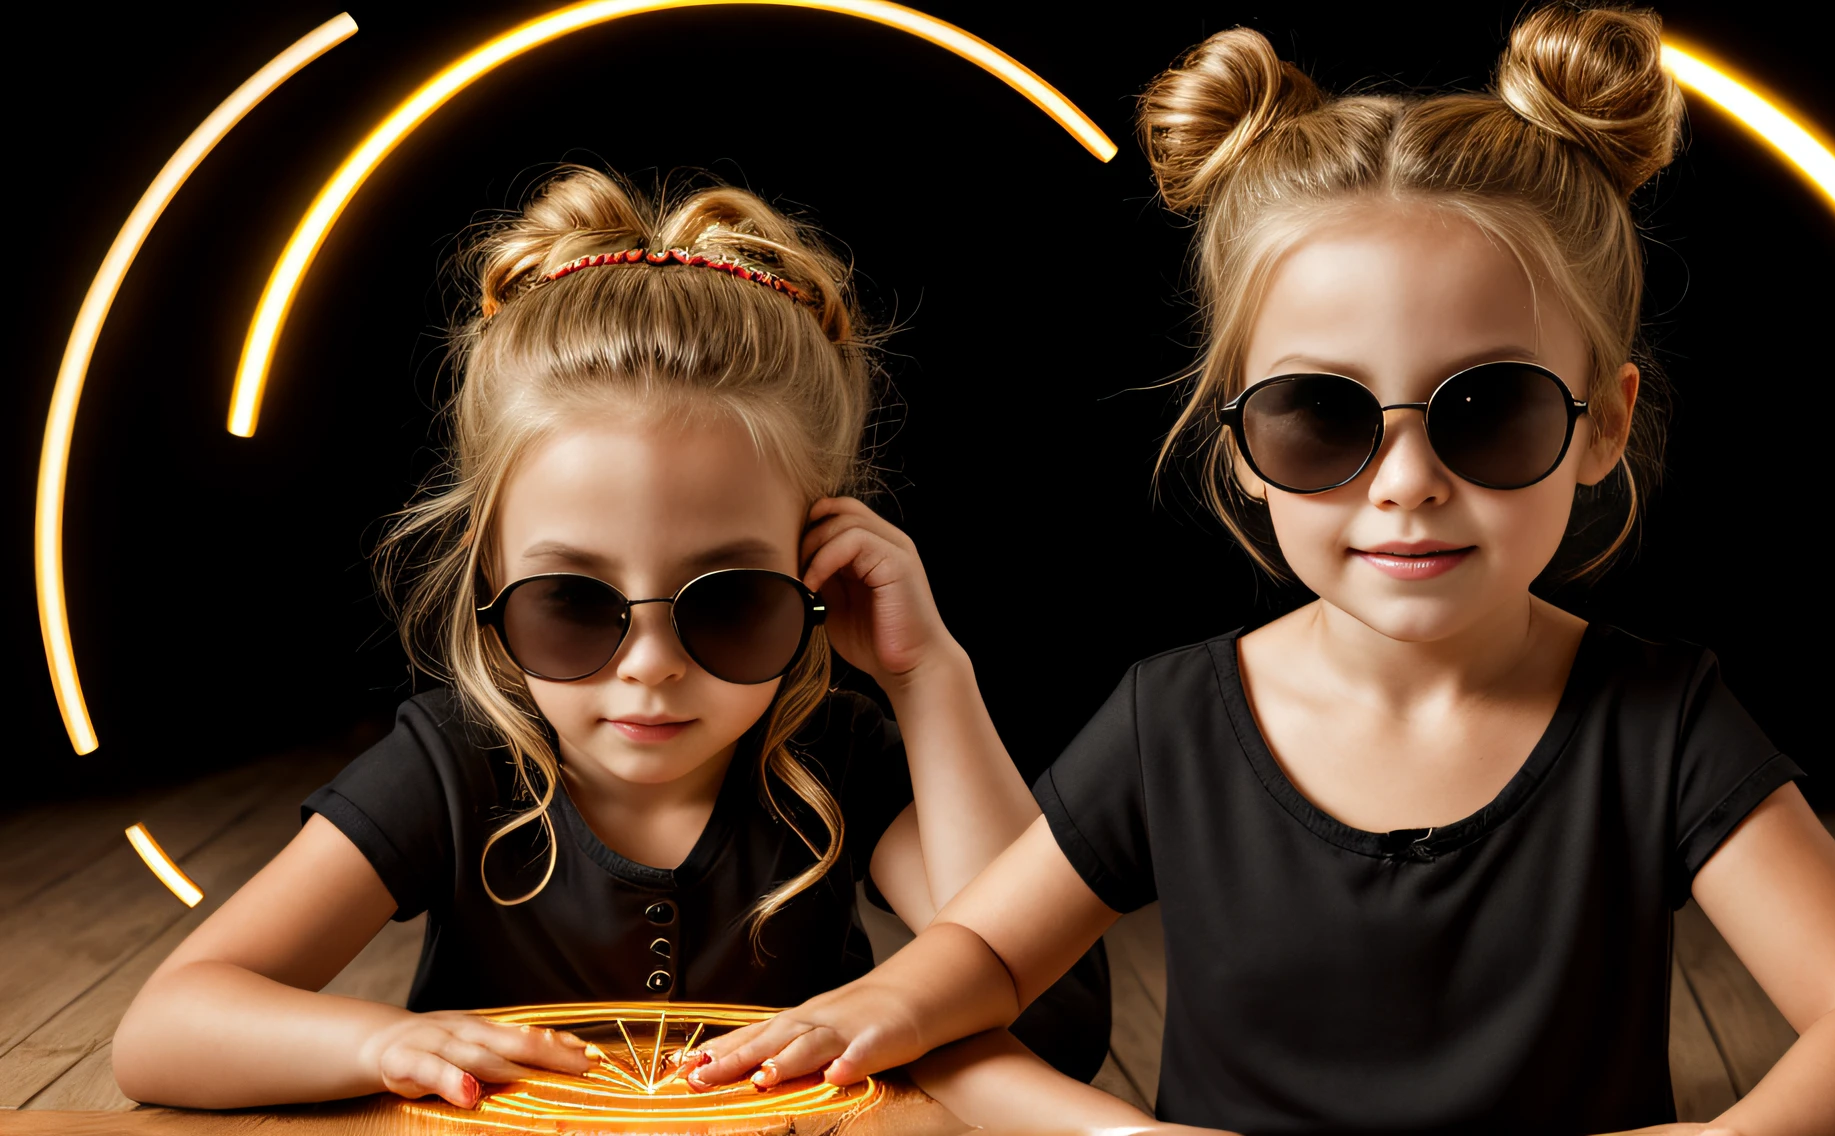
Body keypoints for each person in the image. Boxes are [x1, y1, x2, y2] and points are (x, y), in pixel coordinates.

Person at [684, 7, 1835, 1134]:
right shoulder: (1174, 715)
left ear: (1603, 424)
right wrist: (898, 1013)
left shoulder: (1658, 719)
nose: (1405, 480)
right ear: (1236, 438)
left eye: (1489, 412)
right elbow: (978, 962)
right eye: (1322, 418)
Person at [108, 166, 1110, 1120]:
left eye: (725, 602)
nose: (650, 662)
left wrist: (927, 673)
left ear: (816, 573)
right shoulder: (454, 764)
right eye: (574, 602)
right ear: (491, 579)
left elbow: (1052, 1013)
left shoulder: (837, 758)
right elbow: (163, 1027)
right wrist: (379, 1044)